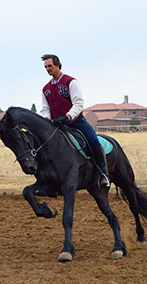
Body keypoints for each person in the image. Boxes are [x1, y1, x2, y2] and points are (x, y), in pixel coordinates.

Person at [40, 54, 110, 188]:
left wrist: (67, 117)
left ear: (58, 65)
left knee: (93, 141)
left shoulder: (71, 82)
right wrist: (46, 121)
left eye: (50, 66)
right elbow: (45, 109)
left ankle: (103, 174)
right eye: (46, 67)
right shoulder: (45, 89)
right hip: (56, 126)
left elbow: (78, 104)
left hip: (76, 123)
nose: (48, 69)